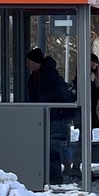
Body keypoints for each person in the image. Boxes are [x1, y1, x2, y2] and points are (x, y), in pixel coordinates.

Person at [26, 48, 74, 186]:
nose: (27, 65)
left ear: (35, 62)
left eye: (29, 62)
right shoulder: (38, 75)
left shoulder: (47, 75)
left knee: (52, 147)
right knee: (50, 146)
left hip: (53, 116)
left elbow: (55, 95)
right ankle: (51, 175)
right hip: (46, 116)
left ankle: (54, 176)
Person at [67, 53, 99, 181]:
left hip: (89, 110)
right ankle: (77, 167)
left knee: (84, 139)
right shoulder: (84, 77)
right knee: (84, 140)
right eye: (91, 62)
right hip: (84, 111)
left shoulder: (94, 76)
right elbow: (85, 93)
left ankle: (77, 166)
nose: (93, 65)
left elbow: (94, 92)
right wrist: (93, 85)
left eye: (95, 63)